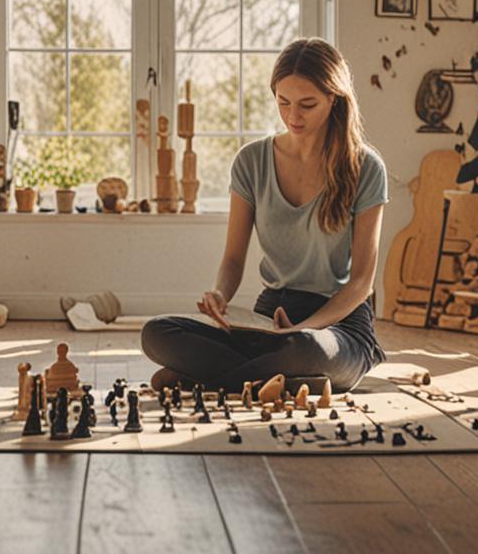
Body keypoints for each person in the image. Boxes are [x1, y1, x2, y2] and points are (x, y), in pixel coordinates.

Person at [140, 38, 388, 392]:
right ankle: (276, 378)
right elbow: (233, 259)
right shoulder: (251, 161)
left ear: (334, 99)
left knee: (307, 349)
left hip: (337, 324)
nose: (292, 116)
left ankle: (211, 378)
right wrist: (220, 295)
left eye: (307, 104)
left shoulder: (366, 168)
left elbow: (362, 282)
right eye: (283, 102)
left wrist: (305, 328)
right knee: (157, 333)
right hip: (268, 320)